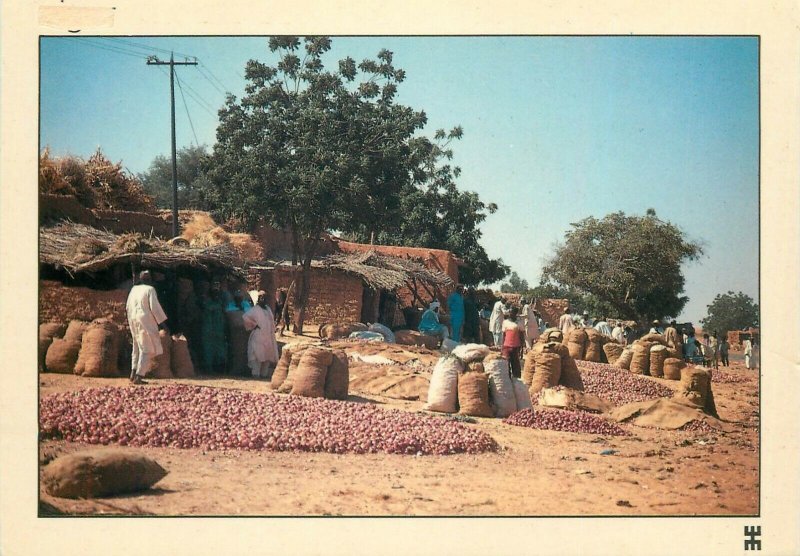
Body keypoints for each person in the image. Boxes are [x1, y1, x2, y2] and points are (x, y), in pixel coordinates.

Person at [126, 270, 168, 385]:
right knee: (147, 348)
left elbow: (127, 306)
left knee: (136, 346)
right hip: (145, 321)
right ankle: (139, 376)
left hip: (133, 319)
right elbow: (155, 308)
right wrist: (163, 325)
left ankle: (133, 372)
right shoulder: (150, 289)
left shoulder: (134, 289)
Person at [242, 291, 280, 378]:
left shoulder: (268, 309)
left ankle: (263, 375)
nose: (263, 299)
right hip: (258, 335)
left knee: (267, 356)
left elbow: (271, 321)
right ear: (258, 299)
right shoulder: (255, 309)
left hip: (268, 336)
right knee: (257, 355)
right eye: (261, 297)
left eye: (264, 297)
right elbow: (245, 317)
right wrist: (254, 325)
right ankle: (255, 374)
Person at [199, 281, 228, 374]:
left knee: (220, 350)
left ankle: (220, 369)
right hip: (208, 329)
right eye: (214, 289)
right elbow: (208, 308)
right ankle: (209, 370)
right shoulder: (206, 300)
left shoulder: (220, 301)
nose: (216, 292)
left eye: (217, 289)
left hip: (218, 330)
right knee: (208, 350)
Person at [502, 307, 525, 378]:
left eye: (512, 312)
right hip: (506, 346)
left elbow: (521, 335)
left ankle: (516, 380)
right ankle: (508, 378)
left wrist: (522, 346)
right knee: (506, 363)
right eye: (510, 312)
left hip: (516, 346)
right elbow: (504, 335)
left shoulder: (519, 323)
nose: (510, 313)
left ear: (515, 313)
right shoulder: (505, 322)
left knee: (515, 364)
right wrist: (502, 345)